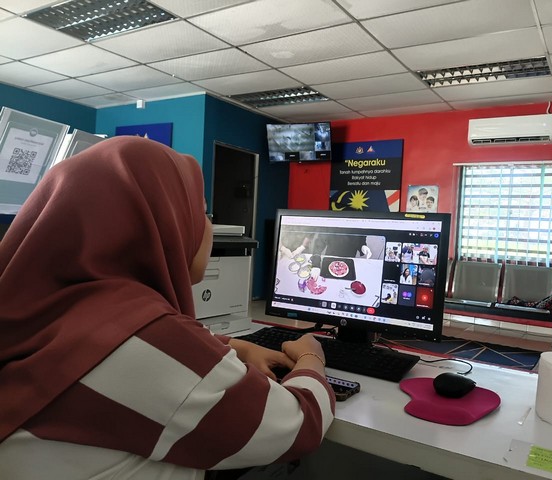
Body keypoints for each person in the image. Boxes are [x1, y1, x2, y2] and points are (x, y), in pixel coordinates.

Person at [0, 136, 335, 479]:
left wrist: (236, 346)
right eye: (200, 211)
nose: (206, 226)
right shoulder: (144, 343)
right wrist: (311, 357)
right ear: (162, 221)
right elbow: (299, 425)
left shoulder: (45, 311)